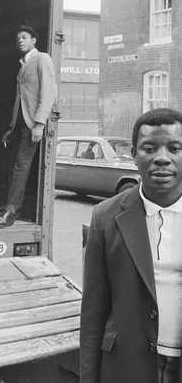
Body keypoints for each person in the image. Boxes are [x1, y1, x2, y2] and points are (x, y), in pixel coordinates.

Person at [81, 108, 182, 383]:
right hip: (126, 368)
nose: (162, 158)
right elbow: (93, 314)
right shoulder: (105, 217)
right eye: (149, 148)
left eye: (174, 147)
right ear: (134, 156)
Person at [0, 25, 57, 228]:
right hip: (20, 122)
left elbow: (49, 90)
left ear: (33, 41)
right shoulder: (23, 64)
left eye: (25, 37)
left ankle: (11, 210)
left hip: (32, 123)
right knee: (14, 163)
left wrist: (39, 123)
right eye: (18, 38)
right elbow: (21, 99)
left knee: (21, 164)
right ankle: (9, 204)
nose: (20, 40)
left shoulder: (42, 59)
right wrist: (11, 128)